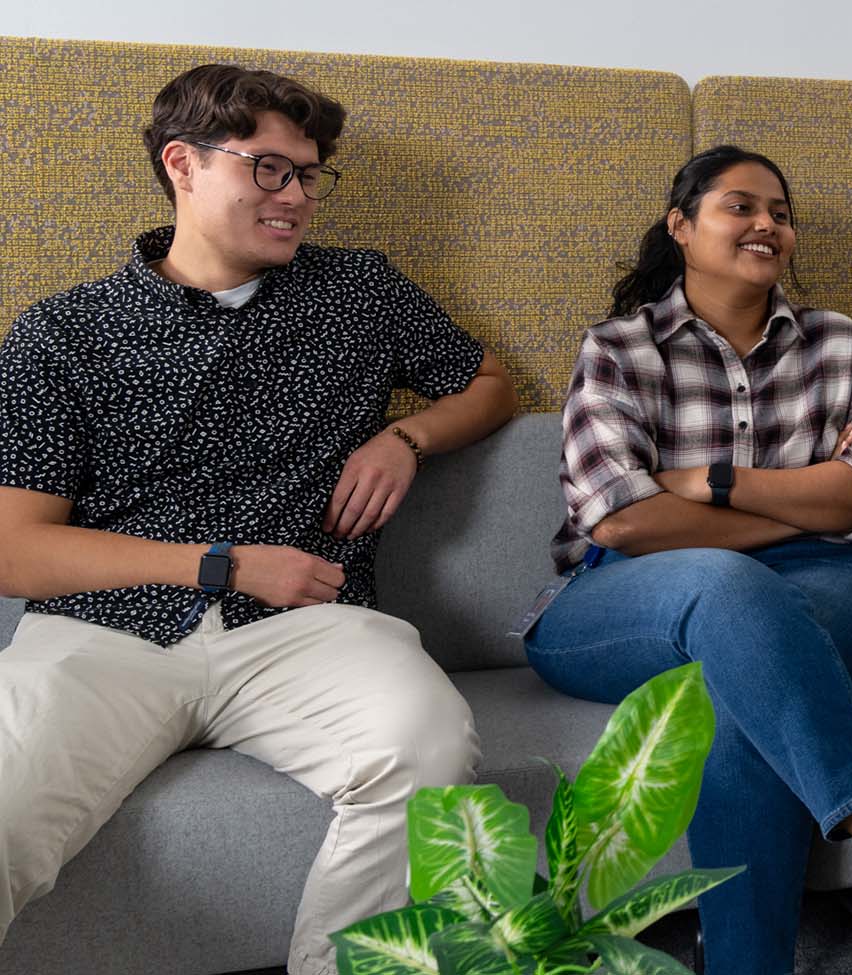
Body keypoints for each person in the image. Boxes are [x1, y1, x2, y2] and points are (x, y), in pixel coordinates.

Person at [0, 64, 518, 974]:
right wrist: (222, 565)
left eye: (310, 174)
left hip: (308, 631)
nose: (297, 196)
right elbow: (15, 550)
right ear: (183, 165)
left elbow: (486, 383)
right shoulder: (61, 334)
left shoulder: (359, 291)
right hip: (103, 633)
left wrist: (406, 439)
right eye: (269, 169)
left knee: (428, 740)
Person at [524, 145, 852, 974]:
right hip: (625, 599)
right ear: (681, 227)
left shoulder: (837, 343)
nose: (767, 224)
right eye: (741, 206)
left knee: (736, 695)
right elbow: (619, 521)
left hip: (837, 584)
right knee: (728, 590)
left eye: (780, 213)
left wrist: (715, 482)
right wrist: (802, 497)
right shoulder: (619, 348)